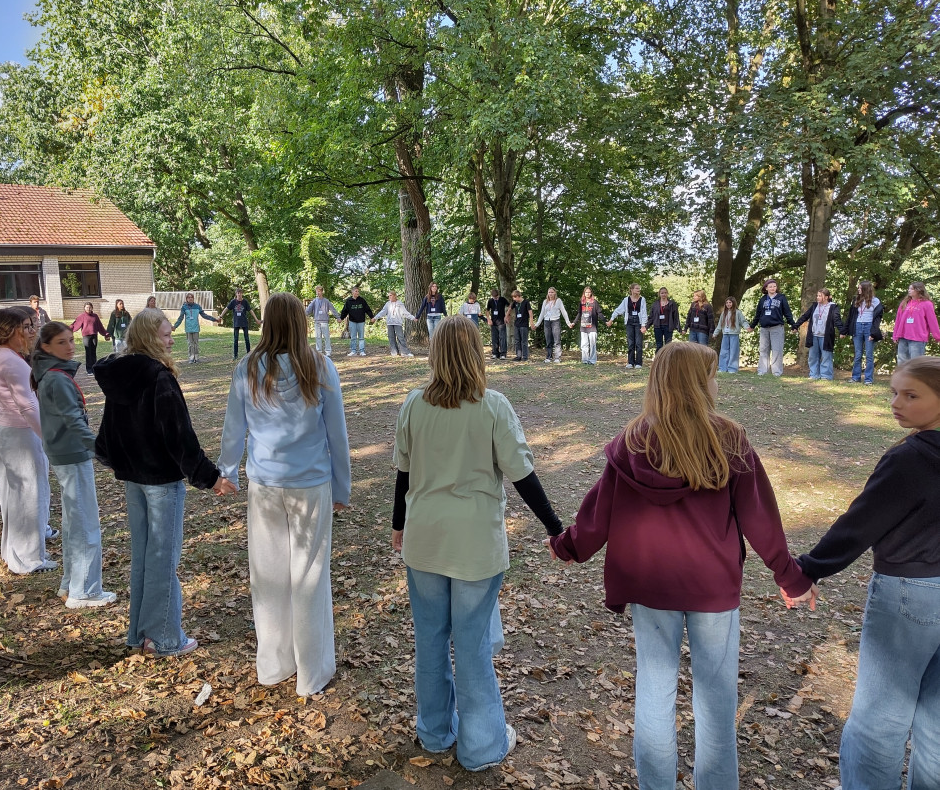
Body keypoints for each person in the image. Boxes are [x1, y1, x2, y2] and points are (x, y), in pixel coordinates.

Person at [546, 341, 814, 790]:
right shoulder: (719, 439)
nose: (715, 382)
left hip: (656, 587)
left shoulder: (647, 440)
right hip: (709, 587)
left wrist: (567, 546)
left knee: (658, 692)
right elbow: (762, 520)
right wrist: (792, 577)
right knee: (713, 698)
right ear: (696, 382)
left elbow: (595, 517)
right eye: (710, 374)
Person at [392, 315, 564, 771]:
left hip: (426, 540)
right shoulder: (492, 406)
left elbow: (403, 474)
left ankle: (433, 732)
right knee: (470, 646)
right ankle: (481, 745)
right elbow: (523, 475)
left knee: (430, 640)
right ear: (475, 353)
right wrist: (554, 527)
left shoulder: (414, 404)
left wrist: (398, 524)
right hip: (473, 546)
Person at [792, 355, 940, 790]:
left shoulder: (912, 458)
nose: (896, 402)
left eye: (911, 395)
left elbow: (859, 524)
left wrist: (807, 570)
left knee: (880, 721)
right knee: (934, 721)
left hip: (910, 595)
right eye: (894, 392)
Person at [216, 293, 351, 695]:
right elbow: (337, 436)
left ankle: (275, 665)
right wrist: (341, 486)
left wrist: (228, 472)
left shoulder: (249, 368)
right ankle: (310, 671)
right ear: (300, 322)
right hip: (308, 484)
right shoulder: (319, 366)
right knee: (308, 576)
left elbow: (232, 429)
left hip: (268, 485)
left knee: (269, 575)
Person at [94, 308, 224, 656]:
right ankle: (165, 638)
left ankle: (141, 634)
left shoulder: (122, 373)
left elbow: (108, 430)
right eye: (166, 334)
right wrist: (210, 477)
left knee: (147, 556)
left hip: (135, 478)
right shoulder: (157, 376)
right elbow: (178, 434)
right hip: (159, 481)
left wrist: (113, 458)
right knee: (162, 558)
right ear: (149, 337)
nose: (171, 339)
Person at [32, 322, 115, 609]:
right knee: (84, 523)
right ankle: (84, 590)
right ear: (45, 347)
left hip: (66, 453)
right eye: (61, 342)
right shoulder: (56, 378)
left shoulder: (52, 375)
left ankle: (71, 584)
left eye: (71, 340)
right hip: (71, 453)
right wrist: (102, 452)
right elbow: (73, 420)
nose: (70, 346)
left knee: (74, 521)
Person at [0, 309, 56, 574]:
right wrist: (50, 438)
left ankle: (16, 554)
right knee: (28, 496)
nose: (32, 331)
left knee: (15, 497)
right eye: (26, 326)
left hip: (5, 432)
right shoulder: (10, 361)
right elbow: (27, 406)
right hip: (18, 435)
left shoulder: (3, 356)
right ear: (10, 331)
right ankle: (28, 559)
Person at [748, 278, 796, 377]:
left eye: (774, 286)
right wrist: (752, 326)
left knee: (777, 350)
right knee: (763, 350)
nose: (773, 288)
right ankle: (762, 371)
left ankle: (776, 372)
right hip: (764, 328)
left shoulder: (781, 298)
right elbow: (758, 314)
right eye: (770, 286)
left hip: (777, 328)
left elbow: (787, 313)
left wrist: (793, 325)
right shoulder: (762, 300)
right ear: (766, 288)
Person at [840, 280, 884, 385]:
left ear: (865, 289)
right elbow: (850, 317)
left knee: (869, 354)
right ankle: (856, 377)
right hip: (857, 326)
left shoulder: (876, 301)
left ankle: (868, 379)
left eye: (860, 288)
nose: (858, 290)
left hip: (869, 327)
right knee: (858, 354)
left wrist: (873, 333)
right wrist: (844, 331)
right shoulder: (856, 300)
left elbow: (877, 319)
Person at [794, 289, 842, 381]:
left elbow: (837, 319)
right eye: (817, 295)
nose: (818, 297)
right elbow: (805, 316)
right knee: (813, 356)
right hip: (814, 335)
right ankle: (814, 375)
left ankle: (826, 376)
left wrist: (842, 331)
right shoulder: (815, 306)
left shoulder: (833, 307)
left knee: (826, 356)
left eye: (820, 296)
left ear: (826, 297)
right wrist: (795, 326)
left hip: (826, 336)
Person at [891, 281, 939, 365]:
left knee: (915, 364)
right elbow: (898, 319)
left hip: (918, 338)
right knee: (902, 363)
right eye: (909, 288)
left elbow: (932, 321)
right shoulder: (905, 303)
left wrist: (937, 336)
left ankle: (917, 379)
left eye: (912, 289)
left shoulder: (927, 304)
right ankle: (903, 378)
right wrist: (895, 335)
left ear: (918, 290)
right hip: (903, 336)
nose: (909, 290)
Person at [607, 284, 648, 369]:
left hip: (638, 322)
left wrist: (644, 325)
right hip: (629, 322)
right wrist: (611, 319)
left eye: (639, 288)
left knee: (638, 343)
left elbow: (644, 313)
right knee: (630, 343)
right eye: (636, 288)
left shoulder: (642, 299)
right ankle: (630, 362)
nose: (638, 290)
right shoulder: (626, 300)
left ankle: (638, 363)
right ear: (632, 290)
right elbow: (619, 310)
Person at [173, 292, 221, 364]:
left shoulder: (197, 306)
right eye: (189, 297)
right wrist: (175, 326)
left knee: (196, 343)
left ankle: (197, 358)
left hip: (196, 328)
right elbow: (180, 318)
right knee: (190, 343)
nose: (190, 298)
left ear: (193, 298)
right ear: (186, 299)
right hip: (188, 328)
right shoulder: (184, 307)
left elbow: (204, 315)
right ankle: (191, 358)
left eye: (191, 297)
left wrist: (215, 319)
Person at [532, 287, 574, 363]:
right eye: (549, 292)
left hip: (555, 321)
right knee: (548, 340)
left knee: (557, 340)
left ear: (555, 293)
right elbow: (542, 313)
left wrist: (568, 323)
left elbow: (564, 312)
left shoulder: (558, 301)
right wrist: (537, 324)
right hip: (547, 321)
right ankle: (549, 357)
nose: (550, 294)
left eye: (552, 292)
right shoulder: (545, 302)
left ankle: (557, 357)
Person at [221, 289, 262, 360]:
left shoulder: (245, 302)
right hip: (236, 322)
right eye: (238, 293)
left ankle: (249, 354)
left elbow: (251, 311)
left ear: (242, 294)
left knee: (247, 339)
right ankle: (235, 355)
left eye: (240, 293)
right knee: (236, 339)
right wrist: (220, 316)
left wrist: (256, 319)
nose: (239, 294)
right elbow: (227, 308)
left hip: (244, 322)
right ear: (236, 294)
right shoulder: (233, 302)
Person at [71, 302, 109, 375]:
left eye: (89, 307)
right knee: (88, 352)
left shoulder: (95, 316)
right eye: (87, 307)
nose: (88, 308)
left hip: (94, 335)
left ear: (92, 308)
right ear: (84, 308)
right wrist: (69, 329)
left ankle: (94, 368)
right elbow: (75, 324)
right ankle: (89, 369)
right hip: (86, 336)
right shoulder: (82, 316)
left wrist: (105, 334)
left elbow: (100, 326)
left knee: (93, 352)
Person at [373, 291, 416, 357]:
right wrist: (375, 318)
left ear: (395, 296)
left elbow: (405, 312)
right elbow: (383, 312)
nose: (389, 297)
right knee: (391, 337)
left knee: (400, 337)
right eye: (389, 296)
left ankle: (405, 352)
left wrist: (413, 318)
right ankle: (394, 351)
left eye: (391, 295)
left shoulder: (400, 304)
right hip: (390, 323)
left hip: (398, 323)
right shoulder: (388, 304)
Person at [711, 296, 747, 374]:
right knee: (724, 352)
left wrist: (747, 327)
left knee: (733, 352)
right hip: (725, 334)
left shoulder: (738, 312)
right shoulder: (724, 313)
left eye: (730, 302)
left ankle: (732, 369)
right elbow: (720, 325)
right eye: (727, 303)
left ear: (733, 303)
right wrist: (715, 333)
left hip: (734, 334)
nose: (728, 304)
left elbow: (743, 321)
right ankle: (723, 368)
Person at [305, 286, 339, 357]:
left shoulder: (326, 301)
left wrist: (338, 317)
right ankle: (319, 352)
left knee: (326, 337)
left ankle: (328, 352)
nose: (318, 293)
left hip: (324, 321)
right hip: (317, 321)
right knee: (318, 337)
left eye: (319, 291)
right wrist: (303, 315)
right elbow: (308, 309)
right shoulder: (314, 301)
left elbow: (333, 309)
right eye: (317, 291)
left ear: (322, 292)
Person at [340, 286, 374, 357]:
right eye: (356, 291)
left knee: (361, 337)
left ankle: (362, 351)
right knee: (353, 337)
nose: (357, 292)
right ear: (352, 292)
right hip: (352, 321)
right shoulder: (349, 301)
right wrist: (341, 318)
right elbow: (345, 311)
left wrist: (371, 317)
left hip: (361, 321)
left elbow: (367, 309)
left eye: (358, 291)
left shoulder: (362, 300)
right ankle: (353, 351)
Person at [577, 286, 604, 364]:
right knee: (584, 344)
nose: (587, 293)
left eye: (589, 292)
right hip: (583, 326)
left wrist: (606, 321)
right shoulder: (581, 302)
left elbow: (599, 313)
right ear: (584, 293)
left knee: (592, 344)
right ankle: (585, 360)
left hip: (592, 327)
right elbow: (579, 313)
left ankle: (592, 360)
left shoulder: (594, 302)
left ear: (591, 293)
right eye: (586, 292)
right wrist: (574, 322)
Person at [649, 288, 681, 353]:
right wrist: (646, 326)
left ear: (667, 294)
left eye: (665, 293)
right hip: (658, 327)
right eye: (662, 293)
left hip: (668, 326)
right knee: (659, 345)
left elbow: (676, 317)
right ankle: (658, 360)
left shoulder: (672, 304)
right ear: (659, 294)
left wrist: (679, 329)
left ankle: (668, 360)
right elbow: (651, 316)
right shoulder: (655, 304)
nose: (664, 294)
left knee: (668, 345)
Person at [485, 289, 509, 360]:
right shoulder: (490, 301)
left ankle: (503, 354)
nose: (495, 298)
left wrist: (507, 316)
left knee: (502, 338)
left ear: (498, 295)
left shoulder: (502, 299)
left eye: (496, 297)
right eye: (494, 297)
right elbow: (487, 310)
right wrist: (489, 319)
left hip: (502, 322)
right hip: (493, 322)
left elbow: (510, 306)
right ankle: (495, 353)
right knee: (494, 338)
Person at [508, 290, 531, 361]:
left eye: (515, 298)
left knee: (524, 341)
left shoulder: (526, 302)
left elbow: (530, 312)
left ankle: (525, 356)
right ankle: (518, 355)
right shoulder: (515, 303)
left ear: (518, 296)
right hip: (517, 324)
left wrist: (531, 322)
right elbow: (510, 309)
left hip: (524, 324)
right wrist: (506, 316)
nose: (514, 299)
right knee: (517, 340)